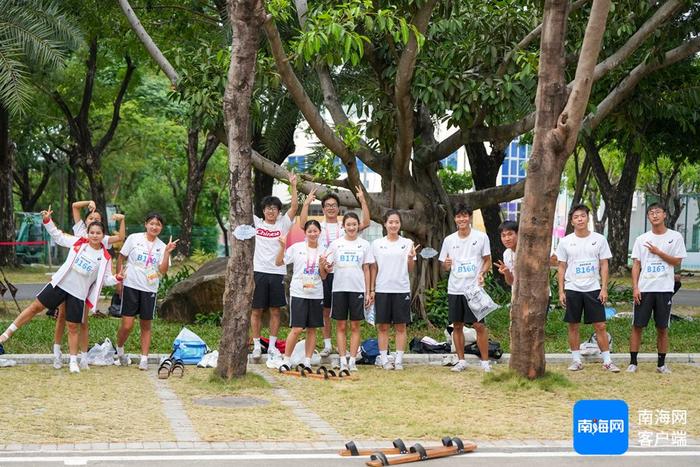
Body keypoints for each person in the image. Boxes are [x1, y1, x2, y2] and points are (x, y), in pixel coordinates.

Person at [0, 207, 120, 373]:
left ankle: (72, 361)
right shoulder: (79, 243)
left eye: (98, 233)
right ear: (88, 233)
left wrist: (118, 278)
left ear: (103, 235)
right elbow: (58, 236)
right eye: (91, 232)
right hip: (60, 285)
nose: (94, 235)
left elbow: (105, 280)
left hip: (78, 294)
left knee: (72, 327)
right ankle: (5, 335)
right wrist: (48, 221)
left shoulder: (105, 257)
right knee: (35, 307)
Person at [52, 200, 126, 370]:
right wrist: (89, 203)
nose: (93, 220)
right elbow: (74, 206)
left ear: (101, 228)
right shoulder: (80, 231)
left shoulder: (102, 238)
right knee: (62, 316)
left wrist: (122, 220)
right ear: (86, 223)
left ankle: (83, 357)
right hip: (70, 280)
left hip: (88, 286)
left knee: (83, 321)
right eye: (91, 217)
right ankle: (57, 353)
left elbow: (121, 237)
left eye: (97, 218)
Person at [300, 186, 370, 357]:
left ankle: (346, 350)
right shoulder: (319, 226)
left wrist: (362, 200)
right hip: (324, 272)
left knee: (346, 318)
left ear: (339, 208)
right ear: (323, 209)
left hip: (343, 274)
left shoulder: (346, 225)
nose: (331, 208)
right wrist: (306, 204)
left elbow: (366, 223)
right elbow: (303, 224)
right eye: (327, 205)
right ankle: (327, 344)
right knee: (325, 310)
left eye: (334, 205)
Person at [556, 204, 619, 372]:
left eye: (583, 216)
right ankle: (576, 360)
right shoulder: (565, 242)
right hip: (573, 288)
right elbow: (561, 267)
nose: (580, 219)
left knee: (600, 326)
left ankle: (607, 361)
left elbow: (604, 264)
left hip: (593, 288)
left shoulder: (599, 239)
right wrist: (561, 291)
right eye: (576, 217)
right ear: (572, 221)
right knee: (573, 325)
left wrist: (604, 288)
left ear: (588, 218)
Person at [627, 203, 687, 374]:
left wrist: (659, 252)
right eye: (651, 213)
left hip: (664, 289)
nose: (654, 215)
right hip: (645, 289)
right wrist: (635, 287)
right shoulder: (642, 239)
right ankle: (633, 362)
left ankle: (661, 364)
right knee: (637, 326)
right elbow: (636, 265)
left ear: (665, 215)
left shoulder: (675, 237)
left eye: (658, 212)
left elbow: (677, 261)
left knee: (662, 327)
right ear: (648, 217)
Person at [115, 212, 177, 370]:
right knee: (127, 325)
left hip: (149, 288)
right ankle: (120, 349)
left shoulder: (162, 246)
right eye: (152, 223)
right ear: (146, 224)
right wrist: (119, 281)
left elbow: (162, 271)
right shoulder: (134, 238)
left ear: (161, 227)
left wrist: (167, 252)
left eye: (158, 224)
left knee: (146, 324)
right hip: (131, 284)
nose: (154, 227)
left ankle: (144, 358)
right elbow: (121, 257)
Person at [438, 204, 492, 373]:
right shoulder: (449, 240)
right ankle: (461, 360)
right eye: (458, 216)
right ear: (455, 219)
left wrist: (482, 273)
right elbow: (444, 265)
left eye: (465, 216)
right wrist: (445, 265)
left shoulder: (481, 237)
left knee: (479, 326)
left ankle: (485, 362)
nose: (462, 219)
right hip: (455, 289)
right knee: (457, 326)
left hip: (473, 289)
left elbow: (487, 260)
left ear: (469, 218)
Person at [251, 172, 298, 362]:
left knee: (276, 311)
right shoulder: (256, 223)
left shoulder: (283, 224)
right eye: (268, 209)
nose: (271, 212)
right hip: (259, 272)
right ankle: (256, 346)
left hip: (277, 272)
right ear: (263, 210)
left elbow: (294, 206)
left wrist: (293, 185)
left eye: (274, 209)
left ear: (279, 211)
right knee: (256, 310)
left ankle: (271, 346)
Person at [324, 212, 374, 372]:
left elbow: (367, 269)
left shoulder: (365, 244)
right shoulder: (335, 244)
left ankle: (352, 360)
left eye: (354, 224)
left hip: (357, 289)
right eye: (348, 224)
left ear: (358, 226)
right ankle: (342, 359)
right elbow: (328, 266)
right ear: (343, 226)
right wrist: (325, 266)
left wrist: (368, 292)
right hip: (339, 289)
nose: (351, 227)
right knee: (340, 326)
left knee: (355, 326)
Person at [275, 220, 327, 369]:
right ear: (305, 233)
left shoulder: (324, 250)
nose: (312, 233)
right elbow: (278, 262)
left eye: (315, 231)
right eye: (309, 231)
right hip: (299, 292)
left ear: (319, 232)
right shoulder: (296, 248)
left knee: (312, 329)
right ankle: (286, 360)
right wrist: (282, 246)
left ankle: (307, 361)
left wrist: (323, 266)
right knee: (297, 329)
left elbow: (323, 276)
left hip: (316, 293)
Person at [369, 210, 417, 371]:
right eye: (390, 222)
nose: (393, 225)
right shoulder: (377, 244)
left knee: (400, 326)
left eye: (396, 222)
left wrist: (410, 258)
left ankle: (398, 360)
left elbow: (410, 269)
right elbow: (374, 268)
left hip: (401, 289)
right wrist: (372, 289)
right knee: (382, 326)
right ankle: (384, 359)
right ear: (385, 224)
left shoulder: (408, 243)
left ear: (400, 224)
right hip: (382, 289)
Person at [495, 220, 518, 286]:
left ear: (518, 234)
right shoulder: (506, 253)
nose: (507, 239)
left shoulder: (530, 250)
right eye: (503, 236)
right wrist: (507, 272)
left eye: (510, 234)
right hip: (517, 294)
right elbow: (511, 282)